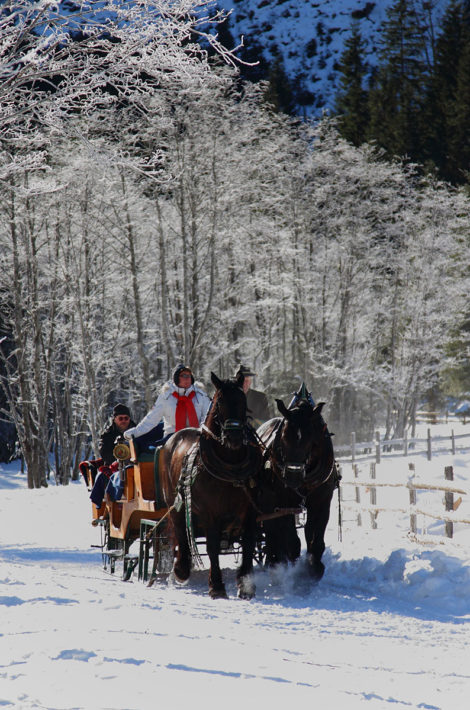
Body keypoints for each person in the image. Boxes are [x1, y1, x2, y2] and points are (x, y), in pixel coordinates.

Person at [124, 364, 211, 444]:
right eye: (184, 376)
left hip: (197, 436)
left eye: (189, 376)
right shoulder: (166, 397)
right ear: (176, 378)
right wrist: (134, 432)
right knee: (159, 453)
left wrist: (199, 432)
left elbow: (207, 418)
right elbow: (151, 419)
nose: (187, 378)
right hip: (172, 437)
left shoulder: (201, 395)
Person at [88, 403, 136, 508]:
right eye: (121, 418)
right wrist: (118, 460)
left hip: (135, 464)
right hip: (114, 466)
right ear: (115, 419)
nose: (124, 421)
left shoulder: (137, 431)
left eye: (126, 418)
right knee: (103, 477)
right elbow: (104, 452)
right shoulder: (108, 434)